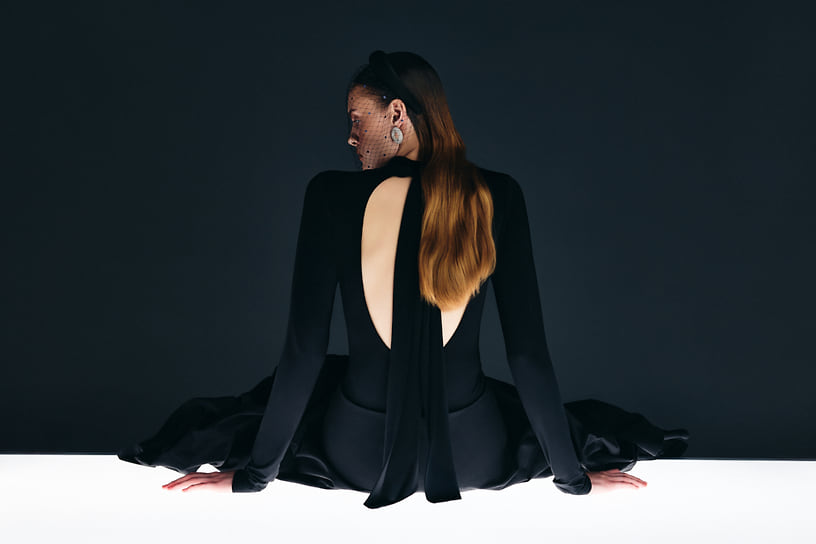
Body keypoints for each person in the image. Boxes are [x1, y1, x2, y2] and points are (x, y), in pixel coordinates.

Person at [118, 50, 688, 508]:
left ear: (396, 114)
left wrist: (254, 476)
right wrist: (572, 477)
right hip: (473, 453)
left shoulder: (330, 195)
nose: (350, 136)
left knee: (306, 386)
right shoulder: (497, 194)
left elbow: (302, 353)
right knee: (522, 406)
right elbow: (528, 356)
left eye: (356, 118)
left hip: (359, 454)